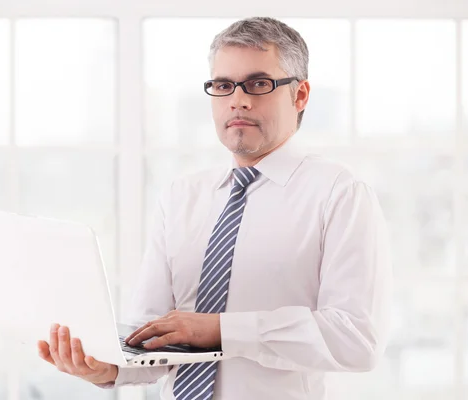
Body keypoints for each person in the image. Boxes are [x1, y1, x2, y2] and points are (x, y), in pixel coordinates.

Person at [36, 16, 392, 400]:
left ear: (300, 95)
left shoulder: (339, 194)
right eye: (223, 85)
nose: (237, 99)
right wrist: (109, 368)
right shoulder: (180, 196)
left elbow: (356, 337)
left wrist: (221, 330)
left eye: (258, 83)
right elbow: (153, 331)